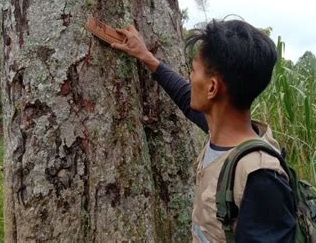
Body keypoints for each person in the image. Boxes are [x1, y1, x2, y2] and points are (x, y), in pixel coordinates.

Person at [111, 19, 296, 242]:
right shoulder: (226, 128)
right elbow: (184, 95)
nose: (190, 77)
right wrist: (147, 58)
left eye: (193, 70)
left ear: (212, 88)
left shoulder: (260, 177)